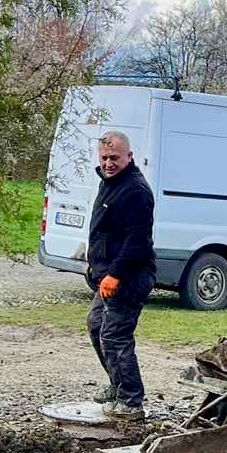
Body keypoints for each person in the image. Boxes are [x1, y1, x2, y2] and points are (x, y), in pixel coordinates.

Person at [86, 129, 156, 418]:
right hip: (107, 275)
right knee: (95, 325)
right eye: (104, 158)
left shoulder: (136, 190)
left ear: (129, 156)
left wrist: (114, 274)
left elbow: (137, 240)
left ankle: (131, 400)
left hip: (129, 277)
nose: (108, 163)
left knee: (115, 336)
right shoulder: (109, 182)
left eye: (114, 157)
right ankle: (117, 385)